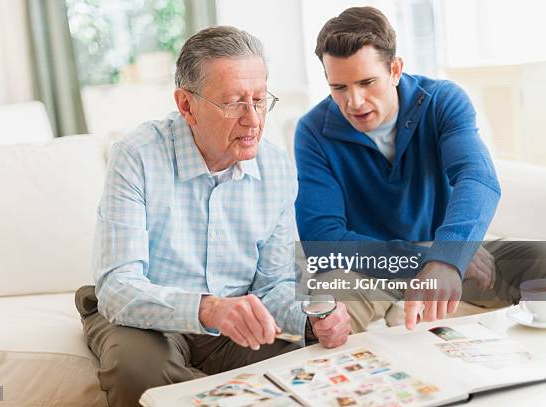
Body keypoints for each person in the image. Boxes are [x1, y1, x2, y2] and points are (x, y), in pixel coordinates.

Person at [75, 26, 351, 407]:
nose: (253, 119)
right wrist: (209, 308)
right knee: (137, 371)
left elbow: (272, 286)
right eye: (235, 102)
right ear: (187, 105)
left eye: (259, 100)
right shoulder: (137, 156)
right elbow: (118, 287)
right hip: (146, 318)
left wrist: (312, 318)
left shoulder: (276, 168)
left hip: (233, 320)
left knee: (308, 367)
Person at [294, 6, 546, 334]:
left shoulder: (442, 101)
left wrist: (448, 255)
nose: (354, 101)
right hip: (371, 270)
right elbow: (322, 240)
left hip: (451, 263)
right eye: (339, 87)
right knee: (327, 310)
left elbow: (477, 177)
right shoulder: (312, 131)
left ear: (395, 70)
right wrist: (430, 257)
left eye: (367, 82)